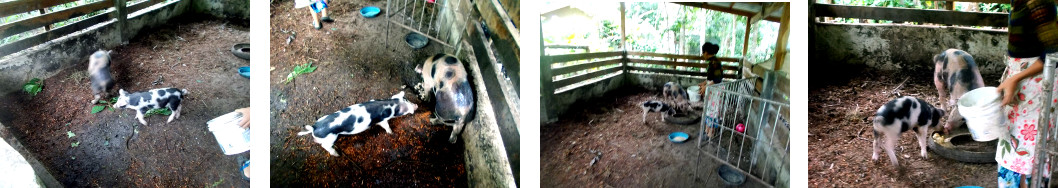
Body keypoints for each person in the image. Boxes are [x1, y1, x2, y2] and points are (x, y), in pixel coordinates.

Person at [996, 1, 1058, 187]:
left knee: (1028, 148)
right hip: (1023, 81)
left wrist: (1015, 79)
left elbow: (1054, 52)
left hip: (1037, 85)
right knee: (1012, 142)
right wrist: (1011, 77)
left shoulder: (1038, 2)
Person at [699, 42, 722, 139]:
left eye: (703, 52)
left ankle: (711, 134)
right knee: (709, 110)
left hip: (715, 91)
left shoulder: (715, 62)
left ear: (706, 52)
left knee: (713, 111)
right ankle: (706, 131)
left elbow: (718, 79)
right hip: (712, 90)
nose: (702, 55)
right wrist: (704, 83)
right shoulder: (712, 61)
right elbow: (711, 78)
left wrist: (706, 86)